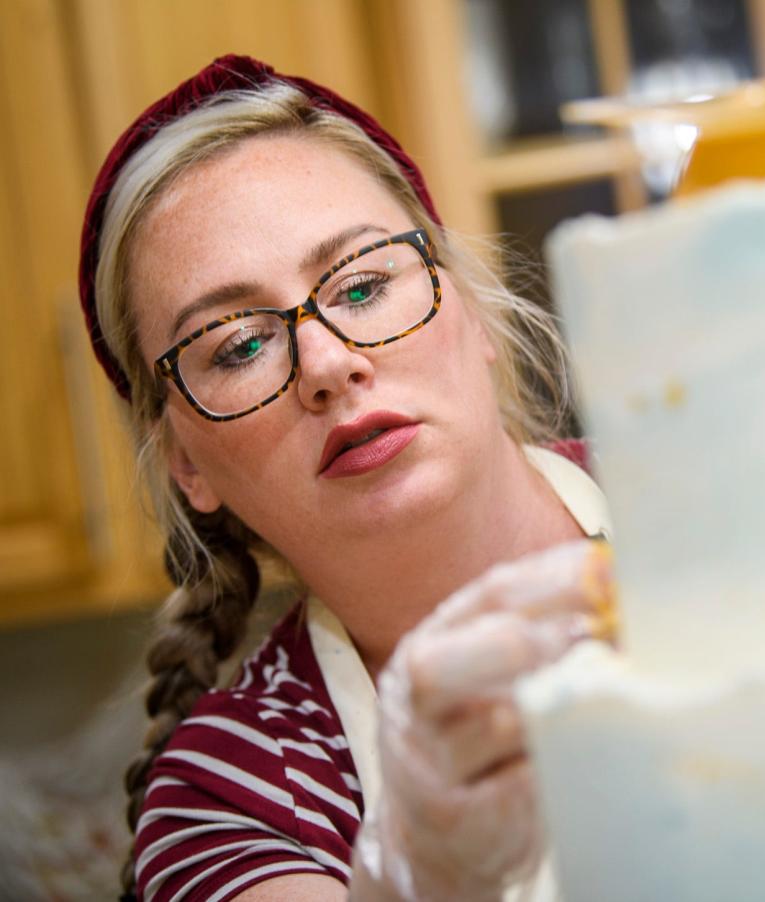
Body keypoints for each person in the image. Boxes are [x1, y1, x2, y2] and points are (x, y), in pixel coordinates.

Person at [79, 55, 614, 901]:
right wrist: (424, 872)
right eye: (238, 346)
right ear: (186, 460)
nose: (327, 363)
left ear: (468, 308)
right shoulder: (225, 800)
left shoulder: (711, 496)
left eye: (363, 284)